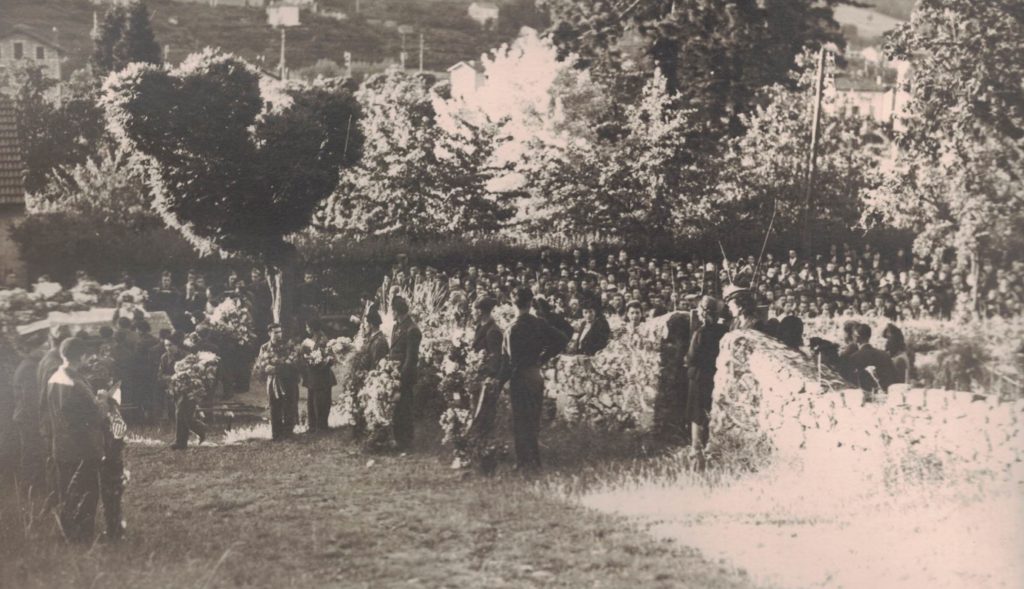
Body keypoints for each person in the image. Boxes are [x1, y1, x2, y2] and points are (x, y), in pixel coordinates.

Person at [498, 287, 569, 473]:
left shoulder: (511, 329)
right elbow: (562, 339)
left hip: (520, 377)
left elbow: (508, 363)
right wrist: (543, 358)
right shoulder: (540, 323)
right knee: (533, 419)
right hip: (535, 375)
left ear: (513, 304)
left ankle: (523, 462)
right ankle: (534, 461)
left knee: (520, 420)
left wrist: (497, 384)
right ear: (531, 304)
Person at [44, 337, 106, 543]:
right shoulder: (76, 382)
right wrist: (105, 402)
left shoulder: (54, 377)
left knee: (68, 490)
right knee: (87, 491)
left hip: (61, 446)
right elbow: (94, 414)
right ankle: (82, 536)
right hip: (82, 447)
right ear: (82, 356)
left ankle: (68, 533)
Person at [686, 296, 728, 469]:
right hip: (714, 376)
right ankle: (711, 452)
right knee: (709, 412)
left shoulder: (701, 332)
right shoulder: (723, 330)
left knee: (696, 415)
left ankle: (697, 455)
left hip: (699, 377)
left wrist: (686, 360)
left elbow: (692, 357)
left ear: (703, 313)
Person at [466, 297, 503, 472]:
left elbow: (495, 359)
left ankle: (487, 459)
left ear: (480, 311)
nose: (472, 313)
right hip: (476, 379)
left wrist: (487, 376)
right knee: (477, 419)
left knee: (484, 419)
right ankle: (478, 454)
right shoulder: (482, 327)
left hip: (485, 382)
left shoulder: (493, 331)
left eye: (474, 309)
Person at [11, 334, 46, 497]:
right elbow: (31, 398)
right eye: (44, 346)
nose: (46, 349)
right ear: (35, 348)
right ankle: (31, 486)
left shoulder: (29, 364)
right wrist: (39, 419)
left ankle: (32, 485)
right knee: (31, 451)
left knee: (31, 450)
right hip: (28, 417)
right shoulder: (30, 367)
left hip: (26, 416)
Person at [254, 324, 300, 441]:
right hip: (273, 380)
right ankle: (277, 434)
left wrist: (277, 368)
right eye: (275, 332)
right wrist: (269, 368)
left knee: (289, 405)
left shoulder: (289, 345)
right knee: (275, 406)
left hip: (288, 380)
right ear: (269, 333)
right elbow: (262, 364)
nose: (279, 334)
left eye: (280, 332)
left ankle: (288, 432)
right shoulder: (264, 347)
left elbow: (292, 361)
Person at [388, 296, 422, 451]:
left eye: (392, 310)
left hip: (404, 375)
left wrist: (400, 377)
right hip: (394, 373)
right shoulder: (398, 326)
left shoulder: (412, 329)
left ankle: (407, 442)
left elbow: (411, 358)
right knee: (396, 408)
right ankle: (398, 439)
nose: (391, 313)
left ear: (397, 311)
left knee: (405, 408)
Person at [653, 313, 690, 445]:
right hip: (677, 376)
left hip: (672, 376)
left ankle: (668, 432)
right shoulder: (684, 341)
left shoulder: (672, 342)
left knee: (672, 404)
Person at [301, 319, 336, 432]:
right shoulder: (314, 339)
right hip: (314, 376)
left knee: (321, 402)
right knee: (312, 401)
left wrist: (317, 360)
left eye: (307, 327)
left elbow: (329, 357)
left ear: (312, 328)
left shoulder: (322, 339)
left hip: (322, 376)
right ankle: (313, 426)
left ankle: (321, 426)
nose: (306, 329)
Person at [849, 323, 898, 394]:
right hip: (885, 393)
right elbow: (894, 377)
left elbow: (853, 382)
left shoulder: (854, 357)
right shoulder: (884, 354)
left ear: (856, 338)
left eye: (853, 336)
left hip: (865, 395)